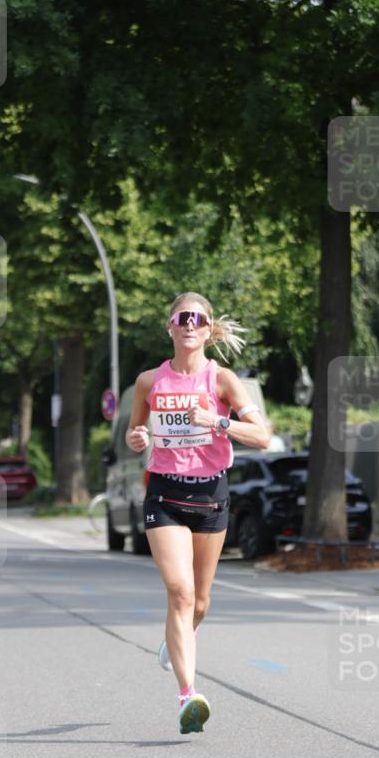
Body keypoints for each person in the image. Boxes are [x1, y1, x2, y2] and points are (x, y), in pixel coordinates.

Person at [126, 293, 270, 734]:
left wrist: (217, 421)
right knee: (180, 592)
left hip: (210, 497)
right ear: (169, 326)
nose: (189, 324)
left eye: (198, 319)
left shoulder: (222, 379)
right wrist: (136, 439)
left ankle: (178, 639)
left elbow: (262, 436)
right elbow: (136, 430)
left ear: (208, 330)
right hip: (165, 495)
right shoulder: (149, 381)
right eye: (182, 317)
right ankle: (188, 695)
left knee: (200, 603)